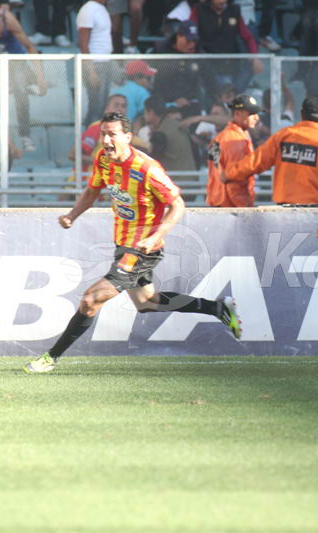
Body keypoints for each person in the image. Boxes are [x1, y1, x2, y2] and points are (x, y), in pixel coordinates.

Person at [23, 111, 242, 374]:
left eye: (112, 134)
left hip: (141, 249)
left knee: (91, 299)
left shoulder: (147, 168)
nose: (106, 140)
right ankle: (218, 308)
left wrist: (155, 236)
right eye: (103, 133)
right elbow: (93, 189)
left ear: (128, 137)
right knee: (147, 302)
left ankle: (50, 358)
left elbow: (177, 205)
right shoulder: (104, 160)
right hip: (124, 245)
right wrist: (72, 215)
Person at [225, 96, 318, 205]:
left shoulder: (284, 135)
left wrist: (229, 174)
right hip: (317, 210)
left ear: (301, 114)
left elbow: (256, 162)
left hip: (284, 209)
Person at [0, 0, 48, 152]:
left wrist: (41, 77)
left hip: (15, 61)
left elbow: (30, 47)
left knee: (20, 93)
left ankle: (25, 135)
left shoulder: (7, 19)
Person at [206, 94, 261, 207]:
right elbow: (233, 180)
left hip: (220, 203)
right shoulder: (236, 141)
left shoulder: (222, 136)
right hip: (232, 207)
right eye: (251, 113)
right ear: (237, 114)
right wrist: (244, 208)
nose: (257, 117)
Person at [77, 0, 115, 124]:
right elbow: (83, 44)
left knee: (102, 108)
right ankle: (89, 141)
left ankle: (96, 139)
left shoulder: (102, 9)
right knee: (96, 108)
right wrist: (91, 71)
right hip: (95, 64)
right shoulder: (88, 10)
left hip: (106, 62)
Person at [112, 60, 156, 128]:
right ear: (137, 77)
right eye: (148, 78)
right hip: (128, 130)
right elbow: (154, 110)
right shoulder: (141, 91)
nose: (148, 81)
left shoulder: (115, 88)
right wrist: (172, 105)